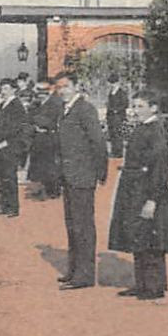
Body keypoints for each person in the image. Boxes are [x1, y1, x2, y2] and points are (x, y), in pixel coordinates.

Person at [107, 89, 168, 300]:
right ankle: (142, 283)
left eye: (140, 106)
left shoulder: (155, 131)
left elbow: (161, 168)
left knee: (152, 240)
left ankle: (154, 287)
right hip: (134, 190)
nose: (135, 111)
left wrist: (153, 200)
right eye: (134, 106)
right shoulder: (142, 127)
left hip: (148, 191)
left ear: (153, 108)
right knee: (139, 236)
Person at [55, 73, 109, 290]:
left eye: (66, 86)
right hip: (69, 176)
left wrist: (100, 172)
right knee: (72, 225)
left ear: (76, 87)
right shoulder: (65, 110)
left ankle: (84, 275)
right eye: (59, 87)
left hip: (82, 176)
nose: (62, 91)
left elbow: (98, 142)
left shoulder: (85, 109)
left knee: (83, 226)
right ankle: (75, 270)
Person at [0, 79, 30, 216]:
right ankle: (4, 205)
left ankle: (13, 208)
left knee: (9, 177)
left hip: (10, 146)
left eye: (5, 89)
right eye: (2, 89)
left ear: (13, 90)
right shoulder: (2, 105)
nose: (2, 92)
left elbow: (14, 128)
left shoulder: (17, 106)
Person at [29, 80, 65, 199]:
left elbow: (51, 121)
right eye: (39, 92)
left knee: (50, 164)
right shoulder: (35, 105)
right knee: (39, 165)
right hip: (37, 136)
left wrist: (37, 120)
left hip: (49, 137)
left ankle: (53, 190)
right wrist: (35, 124)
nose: (40, 95)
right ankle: (42, 188)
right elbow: (29, 119)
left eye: (43, 92)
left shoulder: (54, 104)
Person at [105, 72, 129, 156]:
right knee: (112, 135)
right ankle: (114, 151)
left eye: (113, 83)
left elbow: (125, 104)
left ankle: (118, 153)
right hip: (111, 118)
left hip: (118, 117)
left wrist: (117, 110)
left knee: (118, 135)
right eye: (111, 83)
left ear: (117, 83)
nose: (112, 85)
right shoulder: (111, 93)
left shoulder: (121, 93)